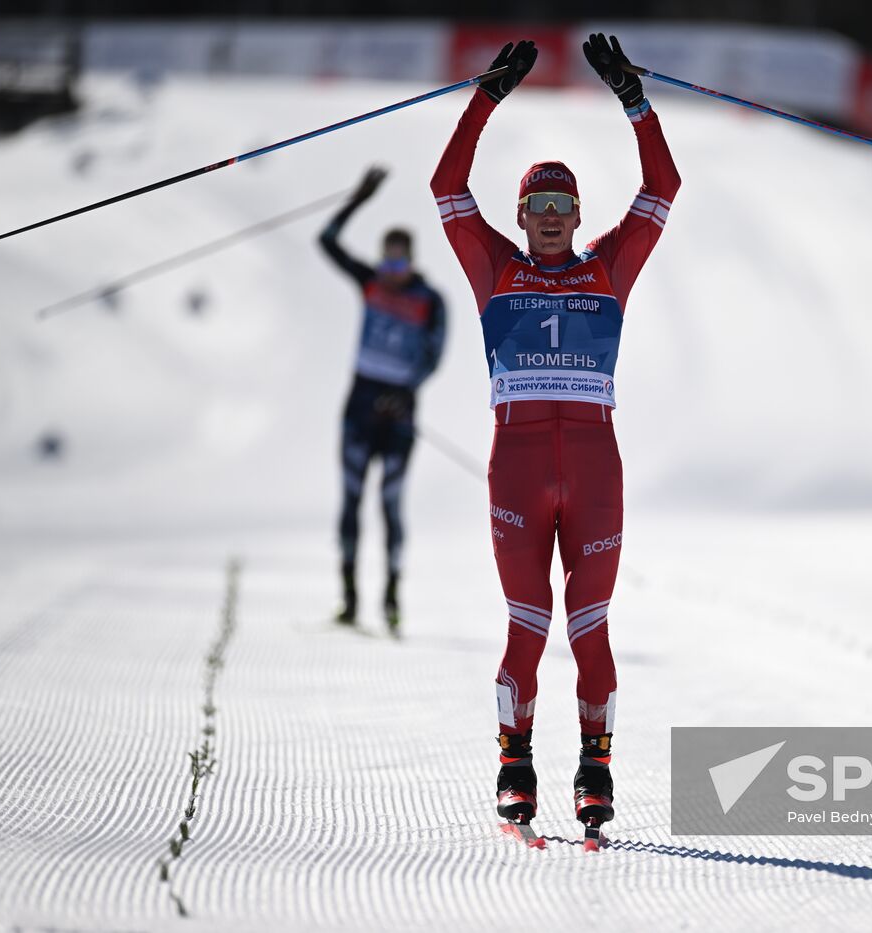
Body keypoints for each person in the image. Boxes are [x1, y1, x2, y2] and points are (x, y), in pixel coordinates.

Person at [430, 34, 680, 831]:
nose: (546, 220)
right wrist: (488, 98)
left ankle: (594, 770)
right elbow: (445, 184)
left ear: (579, 215)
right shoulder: (493, 269)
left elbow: (665, 185)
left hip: (596, 473)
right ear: (519, 216)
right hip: (519, 472)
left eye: (560, 208)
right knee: (528, 625)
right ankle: (515, 761)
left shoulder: (609, 268)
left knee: (592, 628)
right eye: (535, 207)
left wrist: (634, 101)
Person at [319, 167, 447, 633]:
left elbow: (434, 356)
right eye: (387, 264)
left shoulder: (430, 299)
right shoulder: (370, 282)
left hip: (399, 413)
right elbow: (327, 242)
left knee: (391, 504)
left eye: (400, 265)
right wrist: (357, 200)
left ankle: (392, 597)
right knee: (350, 503)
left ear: (411, 263)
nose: (392, 273)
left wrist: (406, 391)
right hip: (359, 405)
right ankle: (349, 600)